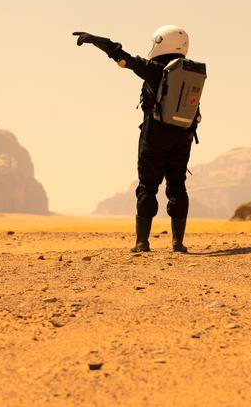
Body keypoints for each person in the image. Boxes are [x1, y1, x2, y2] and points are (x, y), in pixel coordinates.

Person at [73, 26, 200, 253]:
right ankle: (178, 243)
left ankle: (142, 243)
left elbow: (123, 58)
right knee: (178, 188)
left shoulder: (156, 69)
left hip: (155, 136)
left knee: (147, 187)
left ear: (162, 42)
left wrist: (97, 40)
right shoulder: (192, 72)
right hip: (183, 137)